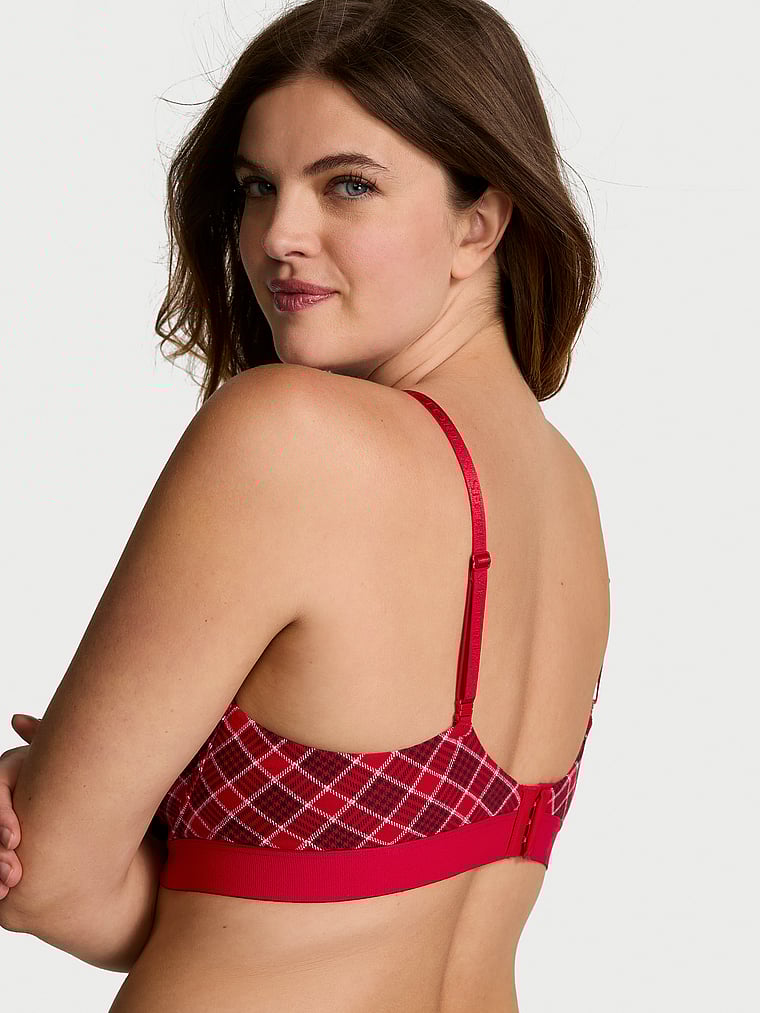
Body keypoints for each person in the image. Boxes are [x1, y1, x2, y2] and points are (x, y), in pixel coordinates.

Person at [0, 2, 609, 1010]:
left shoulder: (286, 435)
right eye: (257, 188)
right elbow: (346, 895)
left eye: (347, 185)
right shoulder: (567, 491)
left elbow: (51, 882)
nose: (278, 235)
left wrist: (52, 790)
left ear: (478, 223)